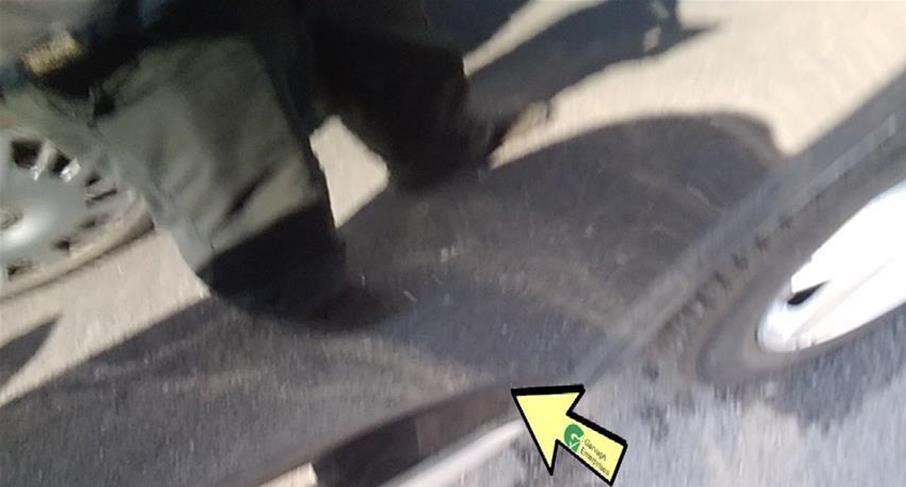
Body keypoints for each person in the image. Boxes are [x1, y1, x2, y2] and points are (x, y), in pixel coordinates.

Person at [0, 0, 534, 320]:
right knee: (236, 180)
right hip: (118, 23)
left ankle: (438, 143)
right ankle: (309, 302)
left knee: (374, 31)